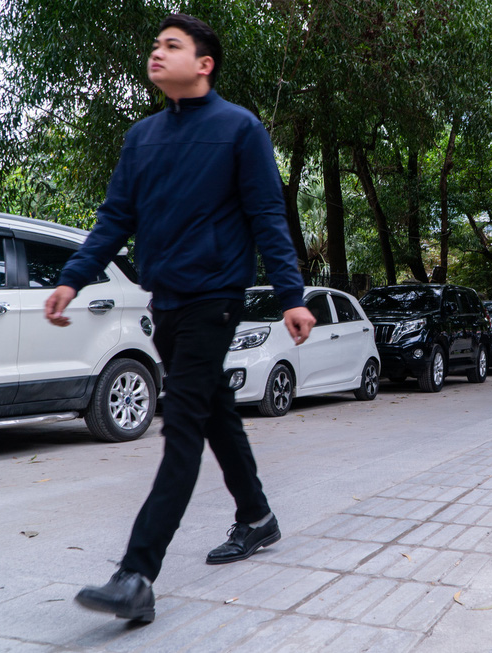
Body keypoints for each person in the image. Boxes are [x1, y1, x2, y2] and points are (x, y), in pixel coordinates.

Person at [44, 14, 317, 623]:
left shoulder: (240, 129)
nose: (157, 52)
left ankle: (137, 573)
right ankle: (258, 516)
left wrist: (294, 294)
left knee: (183, 426)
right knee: (215, 406)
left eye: (172, 45)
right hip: (163, 301)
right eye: (156, 44)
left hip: (214, 297)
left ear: (204, 63)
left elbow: (268, 215)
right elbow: (115, 219)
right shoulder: (142, 138)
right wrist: (71, 278)